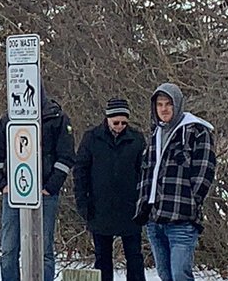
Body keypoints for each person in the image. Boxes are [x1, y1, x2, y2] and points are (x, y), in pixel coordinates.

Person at [135, 84, 215, 281]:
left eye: (169, 104)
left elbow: (205, 171)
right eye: (160, 105)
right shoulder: (155, 134)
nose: (164, 109)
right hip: (155, 218)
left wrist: (191, 201)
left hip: (182, 219)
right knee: (165, 274)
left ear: (177, 105)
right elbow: (147, 174)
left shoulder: (197, 131)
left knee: (180, 274)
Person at [0, 95, 75, 281]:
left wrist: (50, 187)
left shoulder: (58, 119)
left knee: (44, 250)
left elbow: (66, 156)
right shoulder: (8, 119)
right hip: (13, 193)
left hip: (44, 194)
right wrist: (3, 183)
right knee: (8, 250)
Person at [74, 98, 146, 281]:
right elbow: (80, 172)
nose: (120, 126)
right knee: (102, 258)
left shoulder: (137, 139)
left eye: (124, 122)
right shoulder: (91, 138)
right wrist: (83, 202)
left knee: (135, 258)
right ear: (107, 119)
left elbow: (144, 174)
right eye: (116, 122)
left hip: (130, 208)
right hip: (99, 207)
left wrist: (143, 204)